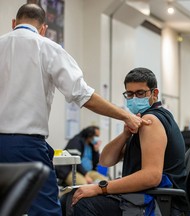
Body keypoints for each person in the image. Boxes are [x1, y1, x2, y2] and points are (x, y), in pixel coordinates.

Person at [0, 4, 148, 216]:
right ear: (43, 29)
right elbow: (83, 95)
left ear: (13, 24)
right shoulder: (47, 47)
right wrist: (126, 116)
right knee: (46, 212)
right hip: (26, 146)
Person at [69, 67, 189, 216]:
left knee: (80, 203)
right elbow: (105, 160)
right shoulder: (143, 121)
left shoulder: (150, 121)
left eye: (140, 93)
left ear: (154, 93)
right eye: (129, 94)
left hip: (156, 202)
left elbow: (152, 176)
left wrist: (100, 187)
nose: (134, 99)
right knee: (72, 198)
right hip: (147, 197)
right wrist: (125, 135)